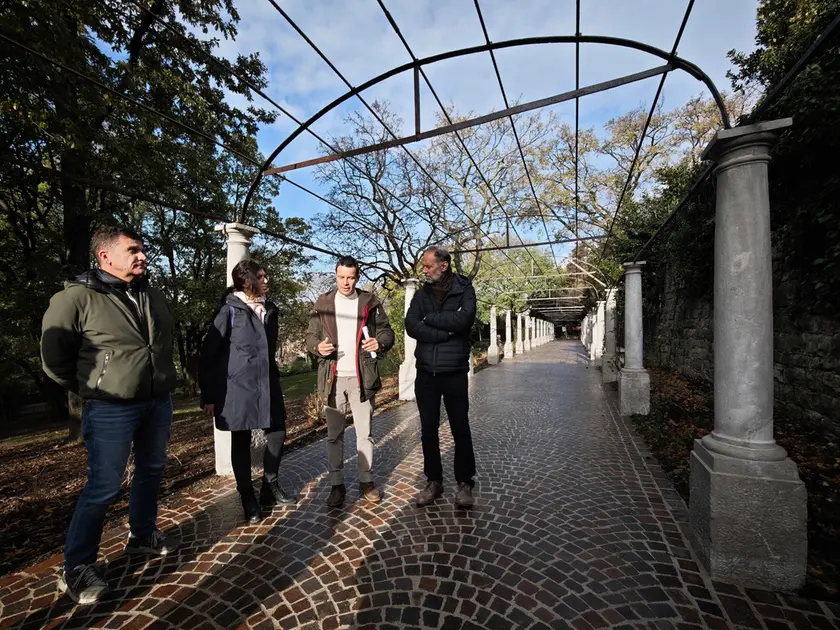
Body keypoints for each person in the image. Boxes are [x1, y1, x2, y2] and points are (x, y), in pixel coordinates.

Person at [40, 225, 180, 605]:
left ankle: (142, 534)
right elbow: (54, 360)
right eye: (133, 250)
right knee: (104, 485)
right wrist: (95, 386)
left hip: (157, 401)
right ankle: (76, 567)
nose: (142, 256)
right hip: (109, 408)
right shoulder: (75, 298)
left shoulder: (151, 293)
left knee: (152, 470)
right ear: (105, 256)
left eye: (143, 249)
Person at [199, 259, 296, 524]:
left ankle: (269, 485)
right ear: (245, 281)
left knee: (277, 431)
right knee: (240, 439)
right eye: (260, 277)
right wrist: (208, 395)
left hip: (267, 382)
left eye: (266, 276)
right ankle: (247, 497)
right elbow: (209, 354)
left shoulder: (270, 310)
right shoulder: (229, 311)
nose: (266, 281)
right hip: (237, 387)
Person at [305, 256, 395, 508]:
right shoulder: (323, 303)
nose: (346, 282)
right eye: (341, 277)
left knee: (364, 434)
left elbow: (387, 331)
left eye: (350, 277)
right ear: (335, 276)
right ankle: (337, 485)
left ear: (357, 277)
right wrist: (317, 347)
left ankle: (366, 481)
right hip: (332, 378)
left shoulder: (370, 302)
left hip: (362, 377)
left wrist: (380, 342)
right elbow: (310, 336)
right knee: (334, 436)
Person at [404, 246, 477, 508]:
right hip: (427, 373)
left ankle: (465, 483)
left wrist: (430, 319)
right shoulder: (421, 293)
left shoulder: (464, 289)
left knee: (460, 428)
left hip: (454, 371)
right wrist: (445, 333)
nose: (424, 270)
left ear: (443, 266)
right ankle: (433, 481)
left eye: (428, 266)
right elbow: (411, 324)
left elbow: (464, 320)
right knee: (428, 430)